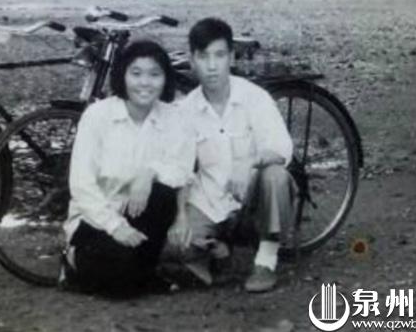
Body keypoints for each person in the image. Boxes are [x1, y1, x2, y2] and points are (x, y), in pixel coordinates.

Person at [170, 18, 295, 293]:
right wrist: (180, 216)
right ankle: (220, 251)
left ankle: (266, 261)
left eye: (219, 55)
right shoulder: (186, 110)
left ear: (231, 58)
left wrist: (249, 163)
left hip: (253, 203)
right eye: (203, 57)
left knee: (276, 176)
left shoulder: (254, 97)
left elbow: (281, 148)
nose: (212, 66)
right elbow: (181, 169)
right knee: (176, 247)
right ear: (192, 61)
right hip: (211, 202)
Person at [63, 41, 193, 296]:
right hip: (97, 221)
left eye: (154, 74)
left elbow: (183, 170)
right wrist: (115, 226)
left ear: (165, 79)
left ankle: (141, 271)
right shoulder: (98, 116)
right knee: (119, 282)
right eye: (136, 73)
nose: (145, 83)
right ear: (122, 75)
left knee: (163, 192)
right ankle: (75, 265)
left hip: (140, 216)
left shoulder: (174, 117)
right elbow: (81, 185)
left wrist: (149, 173)